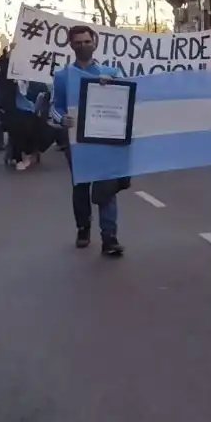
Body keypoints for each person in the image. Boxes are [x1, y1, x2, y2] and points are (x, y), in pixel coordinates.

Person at [50, 25, 125, 256]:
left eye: (87, 41)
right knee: (81, 186)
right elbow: (55, 105)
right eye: (78, 42)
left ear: (95, 43)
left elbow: (128, 96)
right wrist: (62, 119)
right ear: (71, 45)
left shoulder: (111, 73)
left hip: (105, 140)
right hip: (76, 142)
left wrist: (112, 86)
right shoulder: (62, 76)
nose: (83, 46)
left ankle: (109, 238)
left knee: (107, 188)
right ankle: (83, 228)